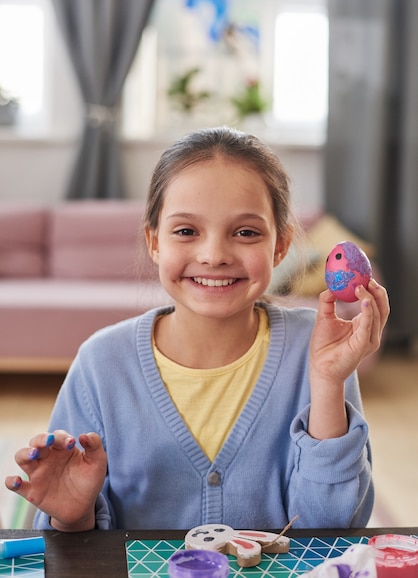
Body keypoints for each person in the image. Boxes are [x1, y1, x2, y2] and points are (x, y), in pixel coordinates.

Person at [5, 127, 389, 532]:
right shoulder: (101, 364)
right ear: (154, 241)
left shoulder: (317, 347)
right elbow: (70, 545)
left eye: (246, 232)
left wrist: (328, 383)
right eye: (186, 231)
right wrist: (73, 516)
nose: (214, 255)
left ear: (279, 246)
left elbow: (331, 530)